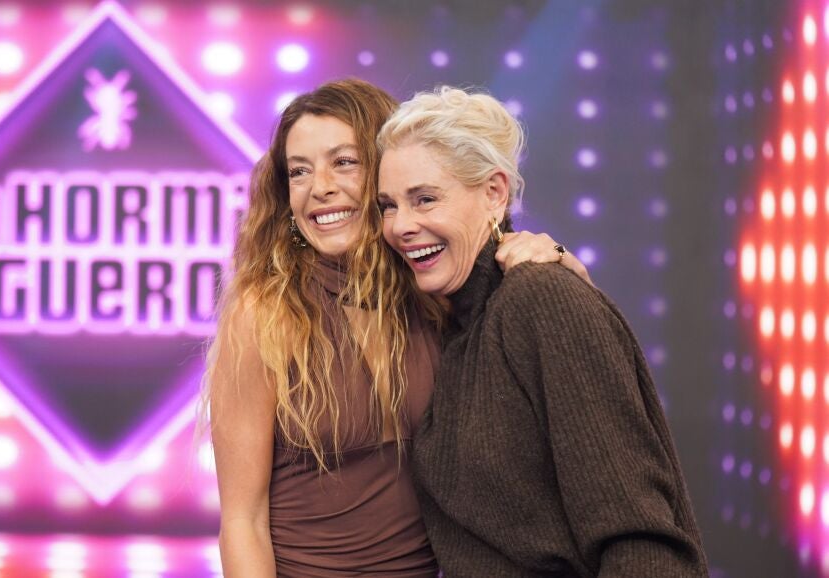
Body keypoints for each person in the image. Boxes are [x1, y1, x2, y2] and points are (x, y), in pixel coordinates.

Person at [204, 79, 590, 577]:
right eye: (299, 171)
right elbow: (243, 521)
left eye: (344, 162)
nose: (320, 186)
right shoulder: (264, 312)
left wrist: (558, 258)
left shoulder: (434, 289)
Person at [376, 86, 708, 577]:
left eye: (425, 199)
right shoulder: (455, 321)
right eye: (388, 205)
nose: (400, 225)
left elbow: (639, 537)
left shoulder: (539, 298)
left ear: (494, 193)